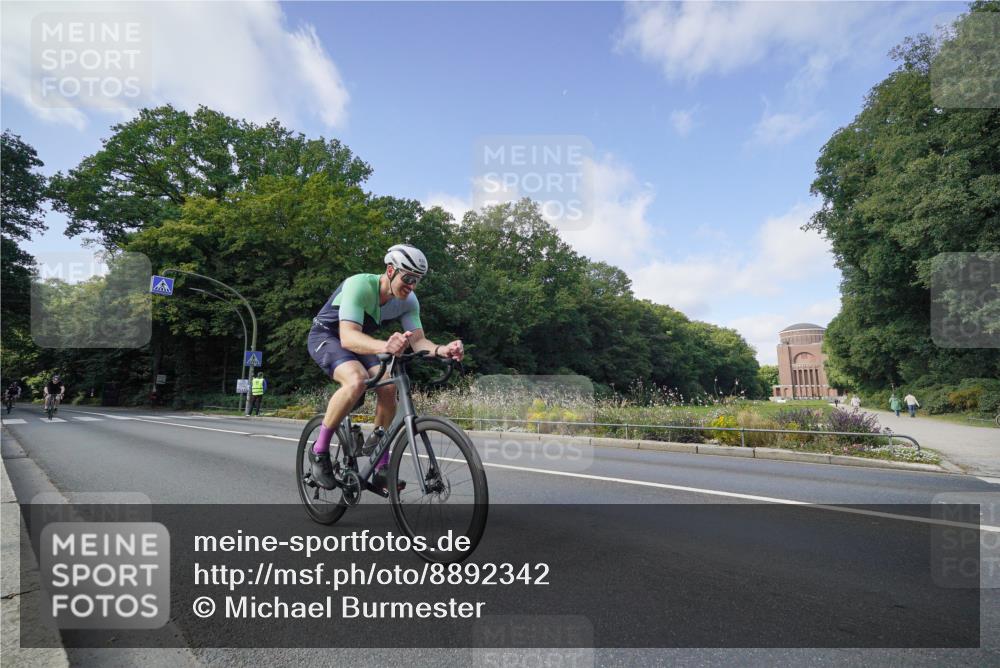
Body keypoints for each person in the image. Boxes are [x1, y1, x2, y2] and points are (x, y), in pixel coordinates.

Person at [306, 244, 463, 493]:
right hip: (328, 336)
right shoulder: (359, 285)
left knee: (389, 386)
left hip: (361, 340)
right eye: (408, 278)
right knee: (356, 380)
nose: (412, 285)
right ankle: (319, 451)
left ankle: (381, 465)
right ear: (390, 271)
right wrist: (386, 346)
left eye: (417, 280)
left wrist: (442, 349)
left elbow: (419, 341)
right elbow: (347, 338)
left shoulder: (409, 301)